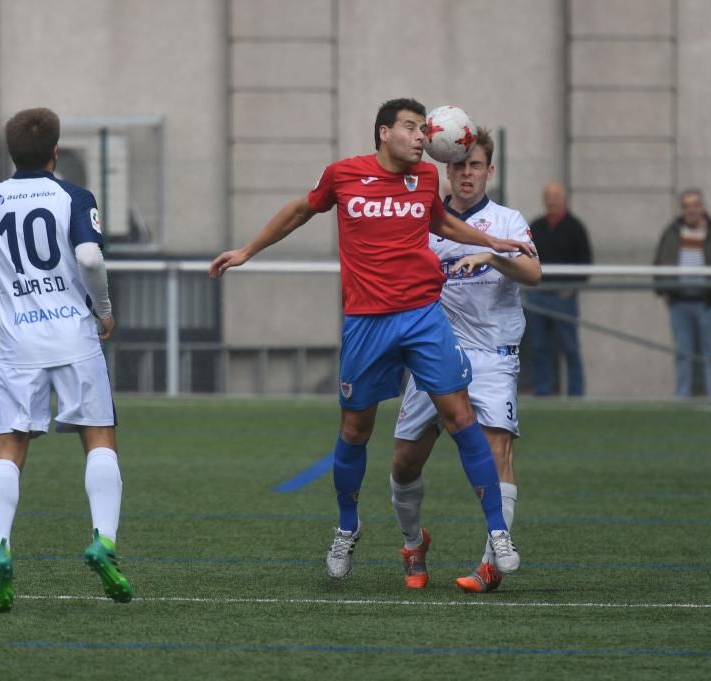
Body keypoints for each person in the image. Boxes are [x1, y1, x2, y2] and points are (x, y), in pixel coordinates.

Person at [209, 98, 536, 581]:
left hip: (424, 317)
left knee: (461, 416)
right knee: (356, 431)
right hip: (366, 322)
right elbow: (301, 209)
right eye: (410, 128)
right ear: (384, 132)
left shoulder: (426, 178)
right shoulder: (343, 174)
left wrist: (490, 243)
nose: (422, 137)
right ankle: (347, 527)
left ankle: (498, 534)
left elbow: (441, 223)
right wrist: (247, 250)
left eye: (424, 129)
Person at [0, 107, 132, 611]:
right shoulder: (73, 197)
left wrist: (5, 265)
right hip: (74, 337)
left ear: (12, 153)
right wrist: (105, 309)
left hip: (19, 346)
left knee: (9, 448)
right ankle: (104, 542)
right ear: (56, 152)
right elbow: (90, 258)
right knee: (98, 439)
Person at [390, 128, 541, 593]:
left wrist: (492, 256)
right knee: (404, 465)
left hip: (493, 356)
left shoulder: (507, 221)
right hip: (435, 355)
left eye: (475, 165)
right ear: (446, 170)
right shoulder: (427, 223)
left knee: (497, 453)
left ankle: (491, 562)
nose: (467, 173)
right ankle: (414, 542)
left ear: (489, 171)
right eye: (458, 166)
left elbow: (533, 272)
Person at [526, 181, 592, 396]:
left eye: (557, 196)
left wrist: (571, 288)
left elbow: (586, 263)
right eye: (549, 196)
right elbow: (525, 258)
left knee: (570, 348)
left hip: (564, 298)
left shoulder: (575, 228)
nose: (552, 200)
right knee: (539, 347)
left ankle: (576, 395)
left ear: (564, 199)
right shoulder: (535, 227)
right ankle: (543, 392)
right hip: (538, 296)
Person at [653, 188, 711, 397]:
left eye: (695, 205)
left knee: (710, 353)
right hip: (680, 303)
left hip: (708, 302)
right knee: (683, 354)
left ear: (702, 207)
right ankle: (682, 398)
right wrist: (664, 289)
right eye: (687, 206)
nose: (692, 210)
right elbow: (660, 261)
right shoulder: (672, 232)